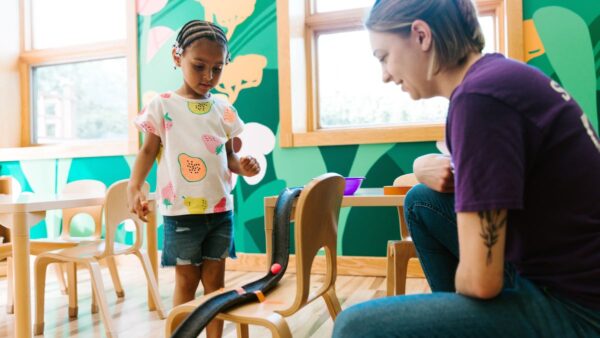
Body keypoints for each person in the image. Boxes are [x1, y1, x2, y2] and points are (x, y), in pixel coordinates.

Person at [333, 0, 600, 337]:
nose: (385, 75)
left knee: (353, 327)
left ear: (421, 35)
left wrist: (456, 302)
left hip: (579, 309)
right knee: (422, 201)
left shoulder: (480, 99)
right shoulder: (498, 79)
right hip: (567, 276)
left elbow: (480, 281)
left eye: (384, 57)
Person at [127, 20, 260, 338]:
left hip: (220, 213)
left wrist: (243, 166)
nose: (208, 77)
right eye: (199, 66)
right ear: (177, 57)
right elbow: (148, 152)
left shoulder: (223, 108)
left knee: (215, 285)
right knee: (186, 283)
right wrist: (134, 187)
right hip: (181, 213)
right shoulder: (162, 105)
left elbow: (228, 159)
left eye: (217, 68)